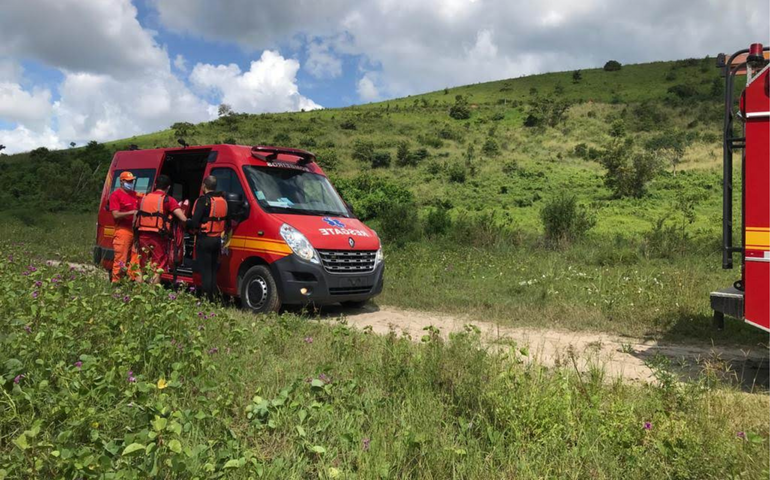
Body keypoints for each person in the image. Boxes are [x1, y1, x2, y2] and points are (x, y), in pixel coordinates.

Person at [134, 174, 187, 284]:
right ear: (168, 187)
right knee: (157, 267)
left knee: (142, 265)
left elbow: (135, 218)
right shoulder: (168, 200)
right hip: (158, 237)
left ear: (155, 185)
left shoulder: (143, 198)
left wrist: (135, 236)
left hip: (142, 235)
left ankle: (138, 291)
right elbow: (183, 218)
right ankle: (152, 294)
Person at [187, 175, 228, 302]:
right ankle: (213, 298)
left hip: (204, 239)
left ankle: (206, 299)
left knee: (205, 271)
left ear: (204, 186)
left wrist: (186, 223)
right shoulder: (223, 201)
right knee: (212, 270)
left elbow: (194, 222)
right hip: (217, 240)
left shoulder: (203, 201)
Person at [108, 171, 139, 283]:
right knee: (120, 260)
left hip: (134, 231)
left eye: (132, 181)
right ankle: (116, 284)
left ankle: (129, 283)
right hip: (123, 231)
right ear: (121, 181)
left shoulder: (134, 194)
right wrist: (132, 212)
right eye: (129, 181)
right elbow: (115, 214)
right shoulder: (115, 195)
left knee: (134, 260)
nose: (131, 183)